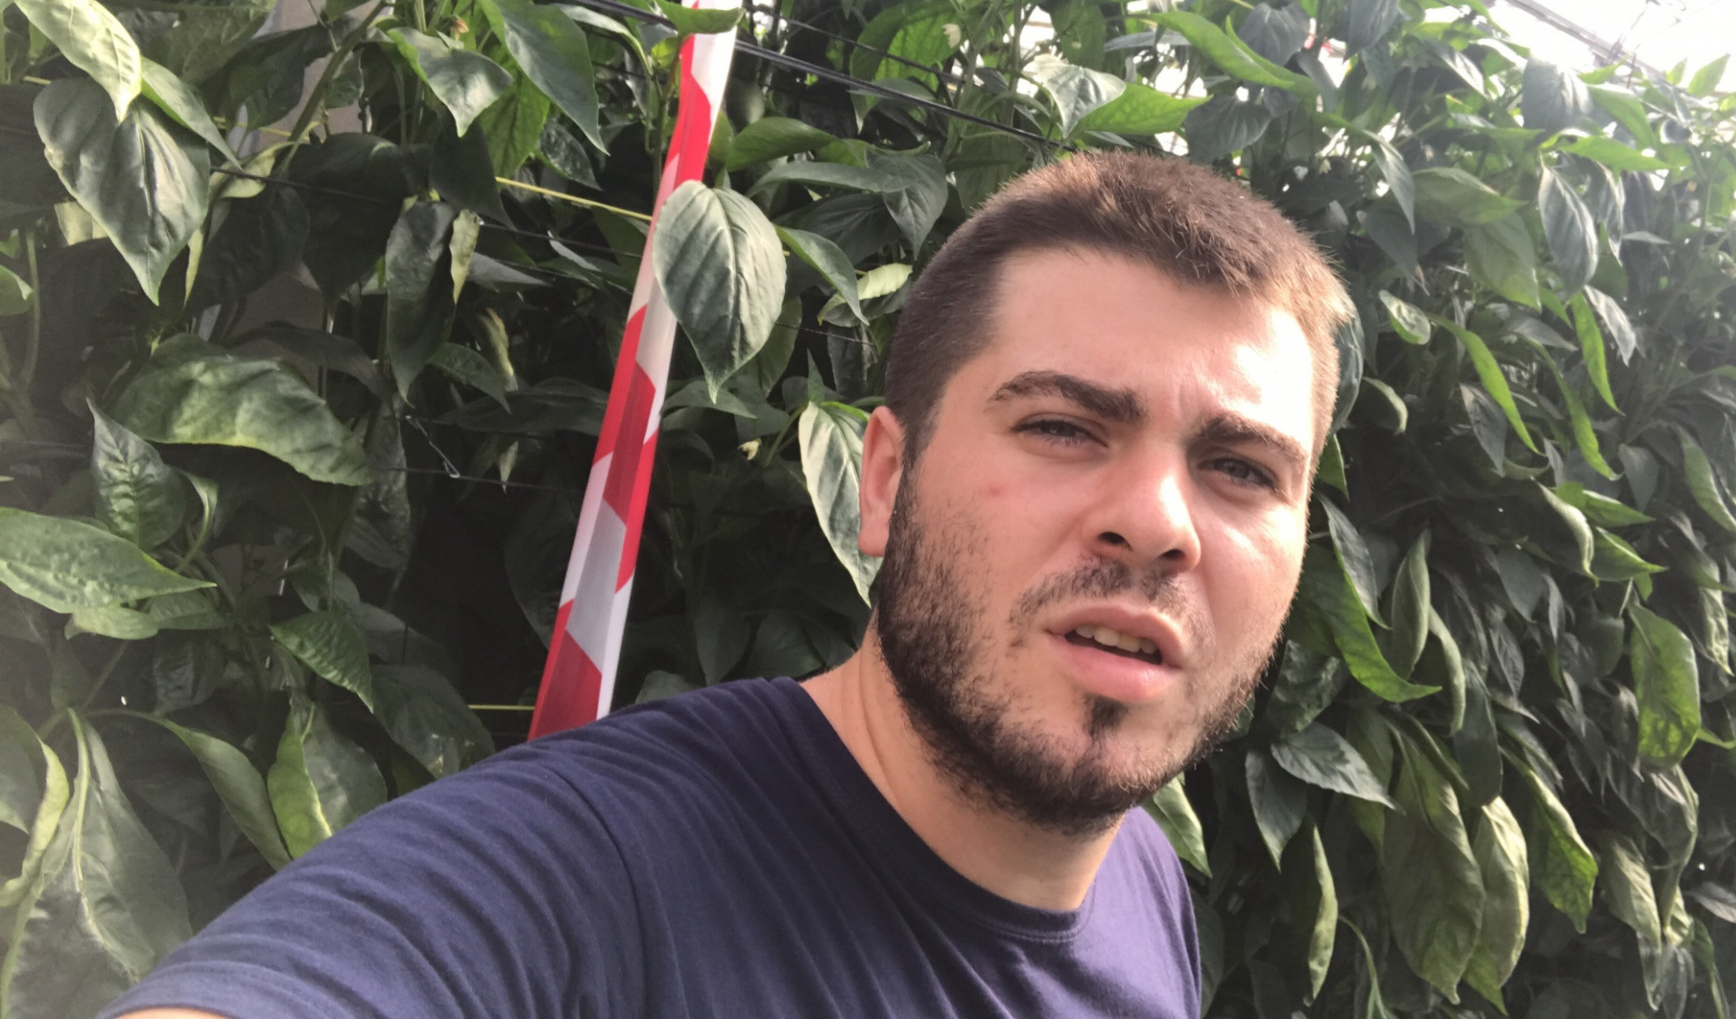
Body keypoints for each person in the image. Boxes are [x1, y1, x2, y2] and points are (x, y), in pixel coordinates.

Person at [106, 151, 1352, 1019]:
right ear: (883, 482)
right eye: (1062, 428)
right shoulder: (585, 881)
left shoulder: (1141, 886)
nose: (1157, 523)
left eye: (1241, 469)